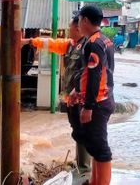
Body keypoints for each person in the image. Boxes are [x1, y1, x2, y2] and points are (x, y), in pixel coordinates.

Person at [21, 16, 92, 176]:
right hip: (70, 98)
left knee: (83, 132)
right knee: (77, 131)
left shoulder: (88, 46)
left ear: (78, 28)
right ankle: (81, 164)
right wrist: (27, 41)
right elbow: (49, 43)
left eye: (70, 28)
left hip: (81, 98)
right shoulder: (69, 45)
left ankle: (85, 169)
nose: (68, 31)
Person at [77, 5, 115, 185]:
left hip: (98, 102)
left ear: (85, 20)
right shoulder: (105, 40)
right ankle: (94, 181)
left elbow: (95, 74)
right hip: (104, 98)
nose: (77, 24)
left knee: (100, 148)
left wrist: (89, 106)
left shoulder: (93, 43)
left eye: (79, 20)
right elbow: (109, 71)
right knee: (94, 145)